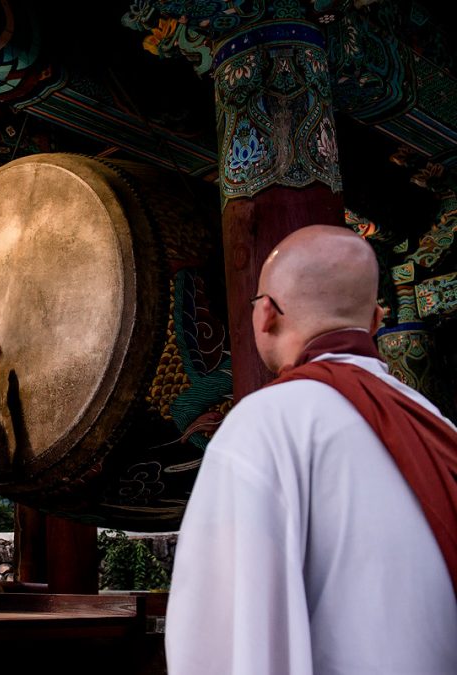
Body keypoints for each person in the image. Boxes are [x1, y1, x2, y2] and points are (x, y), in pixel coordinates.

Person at [166, 225, 457, 674]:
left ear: (265, 314)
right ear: (377, 321)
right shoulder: (439, 425)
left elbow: (220, 644)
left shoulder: (266, 423)